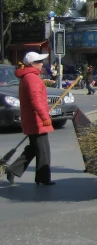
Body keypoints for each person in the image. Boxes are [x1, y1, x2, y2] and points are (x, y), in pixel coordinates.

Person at [4, 52, 56, 186]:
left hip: (33, 118)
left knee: (34, 148)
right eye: (39, 61)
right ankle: (43, 178)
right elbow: (35, 100)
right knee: (43, 149)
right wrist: (44, 117)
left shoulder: (29, 77)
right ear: (32, 64)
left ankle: (13, 170)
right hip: (36, 120)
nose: (42, 64)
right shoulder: (31, 78)